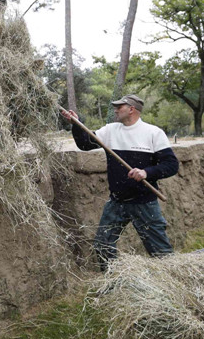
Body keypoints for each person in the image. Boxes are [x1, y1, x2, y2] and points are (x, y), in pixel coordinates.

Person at [61, 94, 179, 271]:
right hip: (117, 202)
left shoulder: (153, 133)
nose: (115, 109)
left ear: (132, 109)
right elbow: (85, 144)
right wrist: (76, 124)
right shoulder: (110, 130)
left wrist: (146, 172)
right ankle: (114, 283)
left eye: (120, 107)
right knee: (103, 245)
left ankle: (173, 283)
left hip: (144, 203)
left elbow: (171, 165)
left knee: (160, 251)